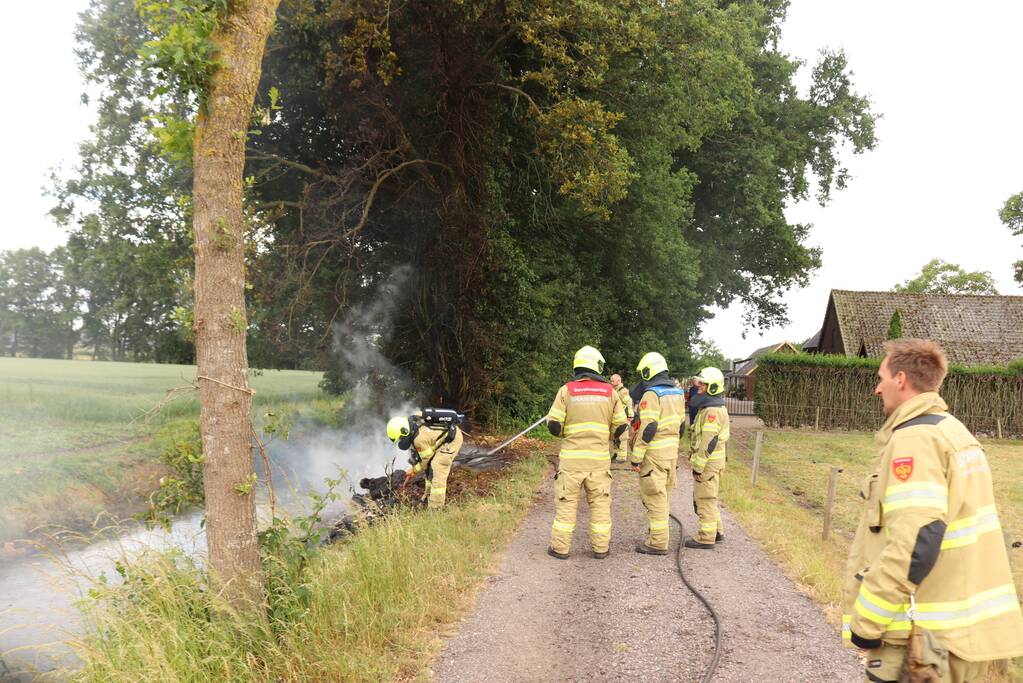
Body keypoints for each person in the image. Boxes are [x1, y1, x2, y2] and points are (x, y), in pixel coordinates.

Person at [843, 339, 1023, 681]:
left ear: (900, 379)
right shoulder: (954, 432)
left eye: (881, 377)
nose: (877, 388)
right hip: (961, 637)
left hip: (923, 643)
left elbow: (917, 538)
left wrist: (867, 622)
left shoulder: (916, 440)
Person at [545, 345, 629, 559]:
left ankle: (560, 548)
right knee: (600, 505)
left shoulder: (566, 390)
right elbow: (621, 425)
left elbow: (554, 425)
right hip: (599, 462)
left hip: (572, 462)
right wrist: (608, 436)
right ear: (597, 365)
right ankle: (601, 548)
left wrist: (566, 433)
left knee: (566, 505)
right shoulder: (610, 392)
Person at [630, 352, 686, 555]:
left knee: (655, 497)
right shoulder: (678, 392)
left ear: (648, 371)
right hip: (671, 454)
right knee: (664, 496)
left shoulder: (652, 395)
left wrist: (636, 458)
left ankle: (658, 542)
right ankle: (657, 533)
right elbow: (682, 425)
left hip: (654, 455)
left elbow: (649, 428)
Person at [386, 409, 464, 509]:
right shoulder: (414, 423)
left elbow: (425, 461)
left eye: (400, 438)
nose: (401, 441)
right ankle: (427, 495)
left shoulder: (419, 439)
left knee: (437, 466)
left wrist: (414, 470)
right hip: (441, 440)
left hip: (452, 440)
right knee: (429, 468)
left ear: (404, 431)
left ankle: (436, 507)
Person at [686, 367, 728, 549]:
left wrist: (698, 467)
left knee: (705, 500)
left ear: (713, 387)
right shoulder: (711, 407)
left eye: (703, 383)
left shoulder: (712, 411)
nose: (699, 386)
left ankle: (706, 537)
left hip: (708, 465)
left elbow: (708, 442)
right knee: (710, 498)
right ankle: (717, 531)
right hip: (712, 463)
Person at [609, 373, 634, 463]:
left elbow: (629, 402)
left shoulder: (623, 391)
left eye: (613, 381)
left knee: (622, 438)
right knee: (616, 437)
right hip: (617, 419)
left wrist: (630, 415)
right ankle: (616, 454)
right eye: (611, 381)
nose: (611, 382)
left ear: (619, 381)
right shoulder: (615, 391)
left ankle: (621, 458)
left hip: (623, 418)